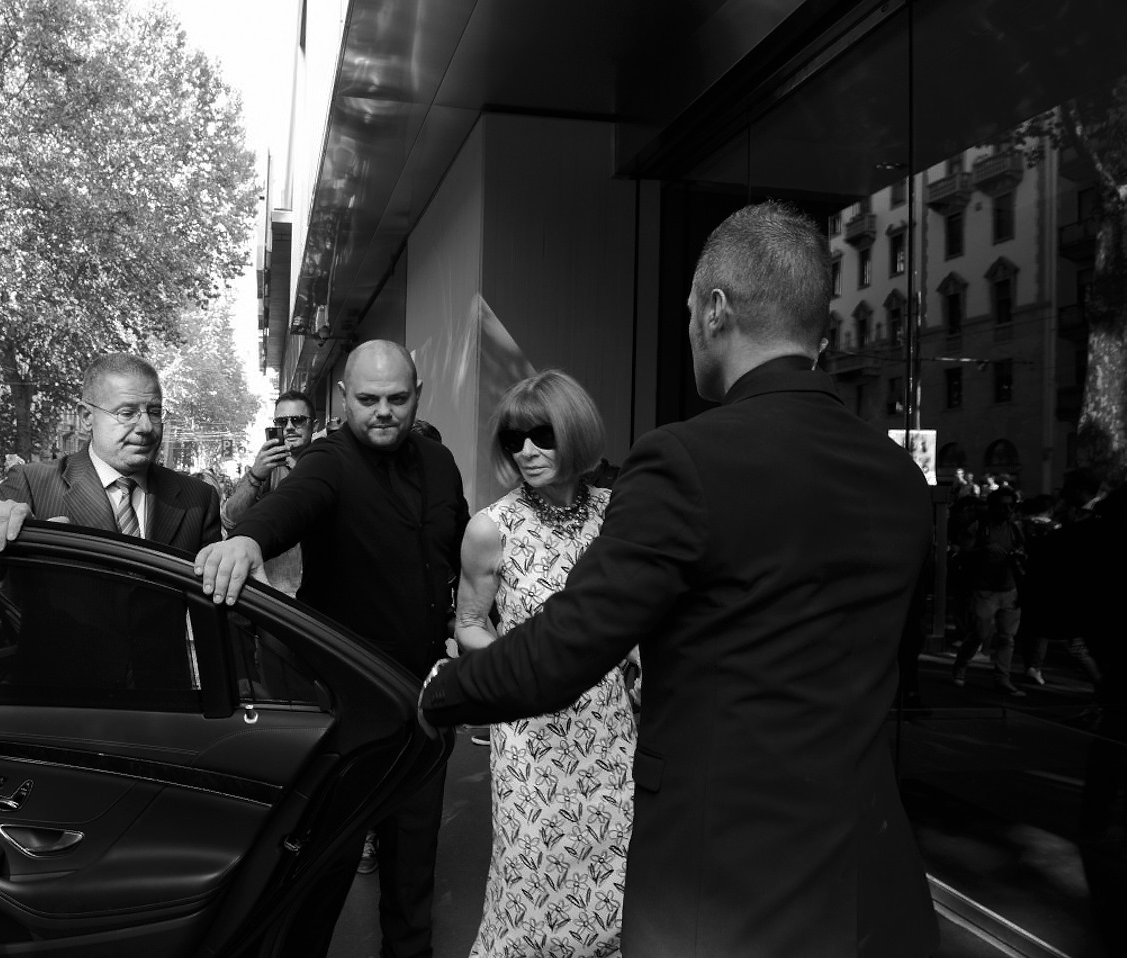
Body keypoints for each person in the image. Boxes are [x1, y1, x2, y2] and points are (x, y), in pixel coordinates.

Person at [419, 202, 938, 958]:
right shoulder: (899, 475)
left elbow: (568, 645)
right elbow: (903, 656)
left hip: (726, 890)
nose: (689, 325)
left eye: (691, 308)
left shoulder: (683, 461)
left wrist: (444, 689)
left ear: (717, 311)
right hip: (871, 885)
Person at [196, 339, 469, 958]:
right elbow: (291, 506)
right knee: (323, 863)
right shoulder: (328, 460)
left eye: (397, 399)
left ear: (417, 397)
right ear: (344, 399)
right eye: (368, 399)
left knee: (413, 859)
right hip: (345, 706)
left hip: (425, 698)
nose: (383, 412)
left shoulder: (441, 464)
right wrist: (248, 542)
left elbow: (459, 549)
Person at [455, 370, 634, 958]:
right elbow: (468, 627)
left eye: (541, 435)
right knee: (533, 884)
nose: (526, 451)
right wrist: (526, 658)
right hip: (534, 736)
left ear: (576, 433)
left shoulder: (619, 515)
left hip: (612, 734)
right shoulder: (490, 528)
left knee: (616, 890)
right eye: (513, 440)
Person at [0, 352, 221, 553]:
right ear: (87, 417)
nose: (146, 427)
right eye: (127, 413)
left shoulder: (198, 499)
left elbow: (212, 605)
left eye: (154, 412)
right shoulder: (31, 484)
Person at [220, 390, 316, 595]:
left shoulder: (325, 467)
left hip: (320, 598)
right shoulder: (265, 470)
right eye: (281, 422)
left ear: (313, 425)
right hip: (274, 597)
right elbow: (230, 521)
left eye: (297, 420)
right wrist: (256, 475)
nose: (289, 427)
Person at [951, 486, 1030, 696]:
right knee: (979, 633)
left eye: (1011, 506)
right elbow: (960, 554)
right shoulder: (979, 527)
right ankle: (961, 666)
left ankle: (1002, 678)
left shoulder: (1015, 529)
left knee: (1007, 637)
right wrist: (982, 551)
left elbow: (1023, 552)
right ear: (993, 507)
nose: (1008, 510)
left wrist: (1019, 557)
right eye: (1003, 506)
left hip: (1008, 589)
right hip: (984, 589)